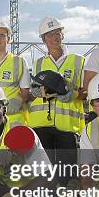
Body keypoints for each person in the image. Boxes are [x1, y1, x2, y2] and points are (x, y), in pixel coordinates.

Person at [28, 17, 85, 185]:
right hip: (41, 125)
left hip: (67, 125)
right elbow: (33, 92)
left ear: (62, 34)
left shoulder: (78, 60)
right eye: (49, 35)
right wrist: (36, 92)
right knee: (45, 174)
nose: (54, 38)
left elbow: (86, 90)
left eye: (56, 33)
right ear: (43, 39)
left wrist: (73, 94)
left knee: (67, 176)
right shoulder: (38, 63)